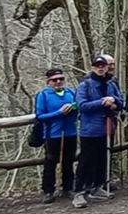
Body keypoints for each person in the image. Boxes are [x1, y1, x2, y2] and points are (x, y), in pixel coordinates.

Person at [74, 56, 123, 208]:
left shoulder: (110, 84)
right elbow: (81, 105)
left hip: (107, 128)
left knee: (103, 159)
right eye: (97, 66)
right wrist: (102, 102)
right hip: (90, 130)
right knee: (86, 160)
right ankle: (79, 192)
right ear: (93, 67)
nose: (101, 68)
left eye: (103, 65)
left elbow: (121, 102)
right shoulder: (85, 85)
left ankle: (98, 187)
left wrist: (114, 101)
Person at [36, 69, 78, 204]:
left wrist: (73, 107)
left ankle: (68, 188)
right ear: (49, 81)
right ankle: (48, 191)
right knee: (50, 163)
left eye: (61, 79)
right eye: (54, 80)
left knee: (69, 161)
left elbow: (79, 106)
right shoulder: (43, 95)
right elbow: (40, 116)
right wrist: (59, 112)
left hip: (70, 132)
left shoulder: (71, 92)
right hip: (52, 134)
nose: (58, 82)